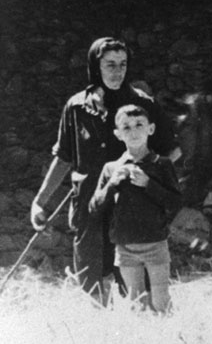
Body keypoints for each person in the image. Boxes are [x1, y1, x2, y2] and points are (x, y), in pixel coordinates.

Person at [30, 37, 179, 303]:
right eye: (110, 64)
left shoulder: (142, 104)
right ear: (95, 66)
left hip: (132, 208)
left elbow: (170, 150)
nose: (117, 71)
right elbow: (64, 158)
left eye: (122, 64)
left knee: (138, 294)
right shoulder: (77, 107)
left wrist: (149, 182)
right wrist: (40, 202)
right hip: (90, 203)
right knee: (91, 284)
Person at [89, 104, 181, 312]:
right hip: (125, 247)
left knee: (160, 299)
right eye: (127, 127)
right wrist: (112, 184)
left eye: (139, 125)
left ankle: (168, 339)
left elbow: (175, 203)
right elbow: (94, 208)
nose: (134, 131)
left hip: (155, 244)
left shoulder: (162, 165)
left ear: (151, 129)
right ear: (117, 134)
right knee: (136, 301)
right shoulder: (112, 168)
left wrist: (150, 184)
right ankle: (142, 342)